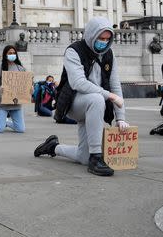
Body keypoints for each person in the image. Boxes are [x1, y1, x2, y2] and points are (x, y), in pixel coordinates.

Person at [34, 17, 130, 177]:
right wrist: (110, 96)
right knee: (97, 99)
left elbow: (115, 85)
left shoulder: (109, 54)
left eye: (107, 39)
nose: (104, 42)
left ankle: (52, 147)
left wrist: (121, 118)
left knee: (82, 157)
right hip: (74, 102)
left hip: (94, 106)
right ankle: (96, 157)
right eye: (101, 38)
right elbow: (78, 83)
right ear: (92, 35)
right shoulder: (73, 51)